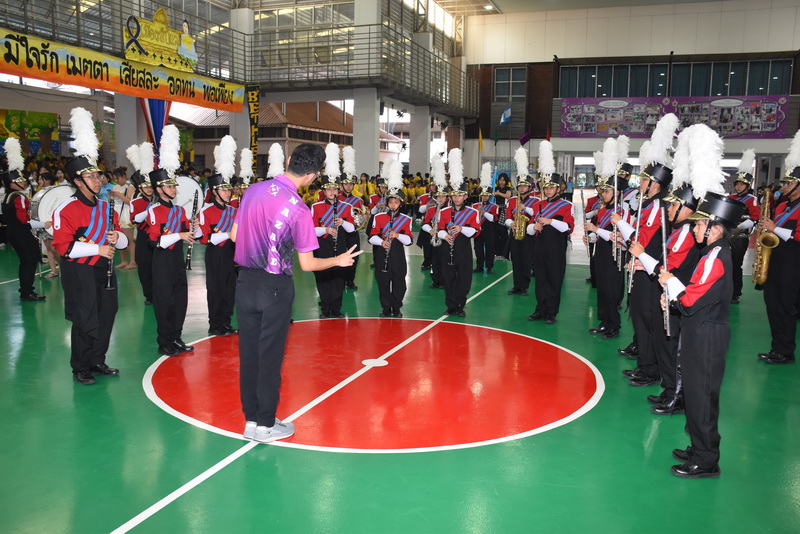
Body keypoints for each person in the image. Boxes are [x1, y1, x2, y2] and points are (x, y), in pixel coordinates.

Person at [231, 143, 361, 444]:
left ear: (289, 160)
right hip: (275, 288)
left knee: (249, 355)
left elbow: (235, 235)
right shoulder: (300, 210)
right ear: (313, 176)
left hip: (245, 283)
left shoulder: (253, 190)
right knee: (270, 357)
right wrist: (338, 260)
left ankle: (251, 420)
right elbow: (308, 264)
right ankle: (266, 424)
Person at [660, 192, 746, 478]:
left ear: (715, 228)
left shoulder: (716, 256)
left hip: (706, 334)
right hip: (700, 329)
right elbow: (695, 293)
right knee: (695, 393)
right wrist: (673, 296)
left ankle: (706, 460)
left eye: (699, 224)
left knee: (702, 397)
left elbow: (689, 299)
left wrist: (671, 283)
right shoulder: (711, 252)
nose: (695, 228)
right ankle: (699, 447)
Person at [53, 152, 129, 384]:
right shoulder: (66, 209)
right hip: (79, 271)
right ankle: (80, 366)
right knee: (85, 318)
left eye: (98, 176)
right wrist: (98, 249)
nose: (98, 181)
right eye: (91, 177)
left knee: (107, 314)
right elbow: (64, 248)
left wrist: (118, 237)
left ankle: (97, 360)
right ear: (77, 181)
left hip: (105, 268)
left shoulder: (106, 207)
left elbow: (123, 241)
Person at [629, 184, 700, 414]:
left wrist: (642, 256)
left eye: (674, 205)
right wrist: (646, 263)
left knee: (672, 346)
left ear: (687, 209)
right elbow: (664, 261)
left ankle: (677, 396)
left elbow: (670, 267)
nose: (668, 208)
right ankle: (670, 389)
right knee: (663, 341)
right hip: (667, 290)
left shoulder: (686, 231)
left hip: (677, 292)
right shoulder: (677, 230)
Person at [612, 162, 671, 386]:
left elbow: (642, 238)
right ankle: (644, 364)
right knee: (640, 318)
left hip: (650, 270)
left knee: (647, 319)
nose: (640, 183)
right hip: (641, 265)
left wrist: (621, 223)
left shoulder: (658, 205)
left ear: (655, 183)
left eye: (645, 179)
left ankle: (650, 370)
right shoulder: (648, 204)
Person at [146, 166, 200, 357]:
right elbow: (154, 241)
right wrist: (180, 235)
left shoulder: (179, 210)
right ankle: (165, 341)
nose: (173, 189)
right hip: (162, 262)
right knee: (165, 302)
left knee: (179, 300)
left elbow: (190, 234)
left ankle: (176, 337)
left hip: (177, 260)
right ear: (159, 189)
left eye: (174, 186)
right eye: (169, 186)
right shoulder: (154, 210)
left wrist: (194, 227)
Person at [757, 168, 800, 365]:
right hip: (774, 260)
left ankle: (786, 351)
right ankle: (776, 348)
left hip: (792, 263)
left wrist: (774, 228)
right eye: (784, 183)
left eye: (789, 184)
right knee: (772, 305)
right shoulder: (782, 206)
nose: (784, 187)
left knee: (784, 306)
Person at [1, 141, 46, 301]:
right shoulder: (18, 197)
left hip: (12, 232)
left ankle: (25, 290)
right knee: (29, 261)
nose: (24, 182)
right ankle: (27, 291)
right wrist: (43, 224)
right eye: (20, 181)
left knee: (25, 261)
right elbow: (23, 220)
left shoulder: (7, 195)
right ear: (12, 183)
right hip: (21, 233)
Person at [584, 176, 628, 339]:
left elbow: (617, 236)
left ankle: (614, 325)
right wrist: (591, 237)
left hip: (614, 256)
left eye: (607, 191)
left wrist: (595, 229)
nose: (604, 194)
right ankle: (604, 322)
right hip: (601, 253)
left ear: (617, 193)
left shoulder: (621, 212)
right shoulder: (603, 210)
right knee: (602, 290)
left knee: (611, 291)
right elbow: (600, 233)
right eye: (603, 191)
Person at [529, 174, 574, 324]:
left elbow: (568, 228)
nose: (548, 190)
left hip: (556, 248)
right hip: (539, 247)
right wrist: (533, 226)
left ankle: (551, 312)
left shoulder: (566, 205)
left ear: (558, 188)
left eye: (551, 187)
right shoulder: (538, 205)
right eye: (546, 187)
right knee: (540, 280)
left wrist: (550, 221)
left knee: (554, 280)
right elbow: (529, 229)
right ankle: (540, 310)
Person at [199, 172, 238, 336]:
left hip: (232, 253)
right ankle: (215, 324)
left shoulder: (234, 211)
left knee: (230, 290)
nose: (228, 193)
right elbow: (204, 238)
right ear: (214, 191)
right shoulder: (205, 211)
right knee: (216, 289)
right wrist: (228, 234)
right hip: (216, 254)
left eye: (229, 189)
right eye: (223, 190)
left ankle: (226, 322)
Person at [311, 176, 355, 318]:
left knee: (338, 277)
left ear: (338, 190)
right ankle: (325, 307)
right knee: (323, 276)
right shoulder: (316, 207)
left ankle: (336, 307)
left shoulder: (346, 207)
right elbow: (311, 229)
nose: (332, 192)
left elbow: (352, 229)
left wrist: (343, 222)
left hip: (340, 244)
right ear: (324, 191)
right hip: (322, 245)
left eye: (334, 189)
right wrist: (325, 230)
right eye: (328, 189)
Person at [436, 180, 481, 317]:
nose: (456, 198)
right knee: (448, 278)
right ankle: (450, 306)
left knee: (464, 278)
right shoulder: (444, 212)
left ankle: (460, 306)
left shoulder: (472, 212)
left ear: (465, 196)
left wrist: (461, 228)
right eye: (454, 195)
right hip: (447, 248)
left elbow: (476, 231)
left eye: (460, 195)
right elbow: (439, 229)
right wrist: (445, 236)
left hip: (463, 249)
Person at [369, 187, 413, 317]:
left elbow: (409, 241)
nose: (393, 205)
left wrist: (397, 235)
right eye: (391, 202)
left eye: (396, 202)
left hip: (398, 255)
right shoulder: (379, 217)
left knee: (399, 281)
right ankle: (386, 307)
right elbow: (371, 237)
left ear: (400, 204)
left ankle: (396, 307)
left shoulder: (406, 219)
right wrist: (381, 242)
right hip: (382, 253)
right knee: (383, 281)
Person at [727, 163, 759, 304]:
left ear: (748, 186)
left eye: (742, 184)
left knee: (735, 265)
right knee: (725, 264)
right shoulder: (731, 197)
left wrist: (739, 228)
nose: (739, 187)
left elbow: (756, 218)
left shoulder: (752, 199)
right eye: (737, 184)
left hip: (739, 237)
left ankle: (735, 293)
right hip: (726, 234)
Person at [505, 176, 537, 296]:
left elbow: (537, 214)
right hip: (515, 231)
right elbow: (508, 216)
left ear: (529, 187)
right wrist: (510, 223)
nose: (522, 188)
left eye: (524, 186)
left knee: (526, 260)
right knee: (516, 260)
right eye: (520, 186)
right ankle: (516, 286)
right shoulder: (512, 200)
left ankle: (524, 286)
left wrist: (525, 208)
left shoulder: (535, 201)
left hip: (528, 233)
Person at [130, 171, 155, 305]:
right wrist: (150, 209)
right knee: (144, 266)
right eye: (146, 187)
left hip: (157, 235)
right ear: (140, 189)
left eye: (151, 186)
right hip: (143, 236)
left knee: (158, 266)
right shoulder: (135, 202)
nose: (149, 189)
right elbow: (135, 219)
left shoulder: (159, 200)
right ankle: (149, 295)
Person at [338, 173, 364, 290]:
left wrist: (362, 220)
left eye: (350, 184)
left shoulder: (358, 200)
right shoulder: (336, 198)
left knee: (354, 256)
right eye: (346, 184)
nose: (348, 186)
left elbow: (361, 216)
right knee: (339, 255)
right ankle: (340, 280)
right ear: (342, 185)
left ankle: (350, 280)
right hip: (339, 231)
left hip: (353, 232)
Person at [109, 167, 137, 269]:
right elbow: (111, 201)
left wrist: (119, 195)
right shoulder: (115, 187)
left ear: (123, 176)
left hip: (126, 214)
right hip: (117, 214)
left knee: (129, 240)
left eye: (118, 178)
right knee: (120, 238)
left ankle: (133, 261)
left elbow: (131, 202)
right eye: (114, 179)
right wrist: (111, 196)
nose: (116, 181)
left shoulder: (130, 187)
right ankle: (123, 261)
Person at [473, 186, 498, 274]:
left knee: (489, 248)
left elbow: (493, 218)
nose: (485, 197)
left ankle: (489, 267)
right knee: (478, 248)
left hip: (489, 229)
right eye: (483, 195)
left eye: (487, 195)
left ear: (490, 196)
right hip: (478, 229)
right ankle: (479, 266)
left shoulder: (494, 206)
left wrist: (483, 212)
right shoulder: (475, 205)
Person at [493, 173, 512, 258]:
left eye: (503, 180)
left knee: (503, 231)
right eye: (500, 180)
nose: (501, 182)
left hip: (503, 210)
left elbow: (508, 196)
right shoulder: (495, 188)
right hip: (495, 210)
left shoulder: (508, 189)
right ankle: (496, 252)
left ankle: (504, 252)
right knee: (496, 231)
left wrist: (498, 193)